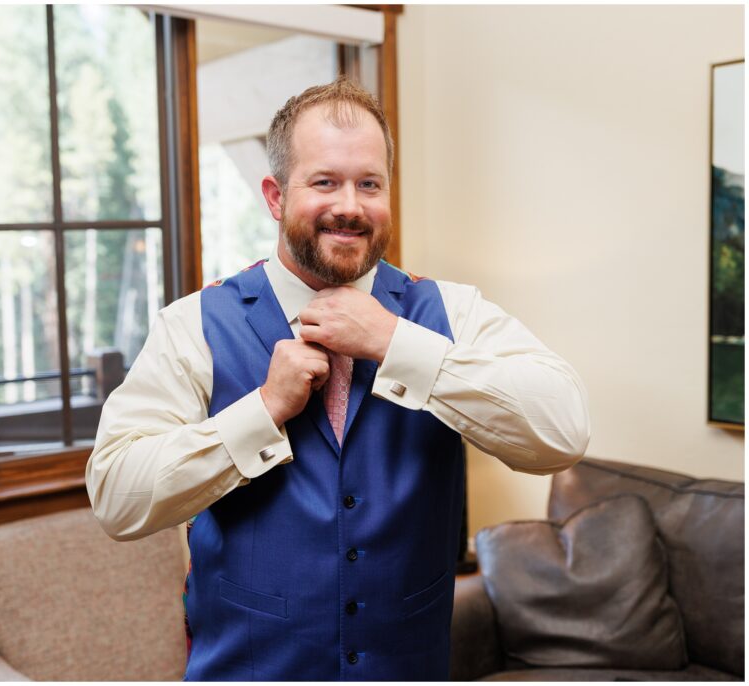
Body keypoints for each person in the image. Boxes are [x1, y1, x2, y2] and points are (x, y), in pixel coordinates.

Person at [86, 78, 590, 680]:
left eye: (369, 184)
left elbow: (562, 432)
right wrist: (264, 409)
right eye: (324, 181)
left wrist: (395, 343)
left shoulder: (451, 312)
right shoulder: (193, 324)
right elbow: (117, 499)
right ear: (275, 196)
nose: (349, 205)